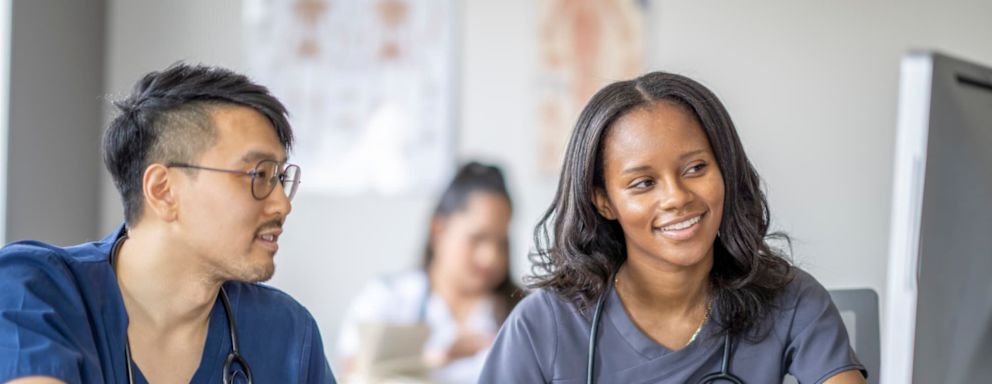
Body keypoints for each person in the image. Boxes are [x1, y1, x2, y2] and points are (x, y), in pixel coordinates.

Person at [479, 72, 868, 383]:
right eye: (643, 183)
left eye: (695, 168)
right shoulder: (544, 324)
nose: (677, 197)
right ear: (604, 201)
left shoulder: (792, 301)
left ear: (725, 170)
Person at [0, 63, 335, 383]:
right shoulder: (33, 289)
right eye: (259, 175)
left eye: (280, 178)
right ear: (163, 190)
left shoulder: (288, 332)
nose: (282, 204)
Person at [336, 162, 522, 383]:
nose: (490, 257)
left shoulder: (519, 314)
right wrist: (437, 358)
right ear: (438, 229)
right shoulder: (387, 298)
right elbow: (354, 373)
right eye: (477, 238)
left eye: (500, 242)